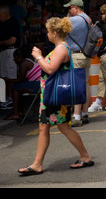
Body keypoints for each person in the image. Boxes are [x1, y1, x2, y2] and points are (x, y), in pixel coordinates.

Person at [18, 17, 94, 176]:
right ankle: (37, 164)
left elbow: (51, 69)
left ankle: (85, 156)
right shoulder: (60, 47)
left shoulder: (61, 48)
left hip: (56, 96)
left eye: (47, 31)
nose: (46, 34)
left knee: (62, 127)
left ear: (54, 33)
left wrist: (38, 57)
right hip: (51, 95)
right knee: (45, 127)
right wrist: (41, 57)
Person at [64, 0, 92, 127]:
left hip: (76, 56)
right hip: (86, 55)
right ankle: (85, 113)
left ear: (75, 8)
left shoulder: (72, 20)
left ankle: (76, 116)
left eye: (69, 8)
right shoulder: (87, 18)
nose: (68, 10)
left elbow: (57, 29)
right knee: (85, 84)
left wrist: (67, 16)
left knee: (76, 86)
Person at [4, 47, 41, 121]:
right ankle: (20, 111)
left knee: (15, 88)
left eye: (15, 58)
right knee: (19, 87)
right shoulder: (29, 61)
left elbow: (20, 79)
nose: (14, 60)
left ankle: (16, 113)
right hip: (39, 84)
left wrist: (7, 80)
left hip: (37, 85)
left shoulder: (24, 64)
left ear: (19, 57)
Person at [0, 4, 21, 108]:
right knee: (3, 77)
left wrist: (1, 43)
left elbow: (13, 40)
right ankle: (5, 99)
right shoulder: (3, 23)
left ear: (5, 13)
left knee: (11, 77)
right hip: (3, 52)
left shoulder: (13, 22)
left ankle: (11, 99)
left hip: (10, 52)